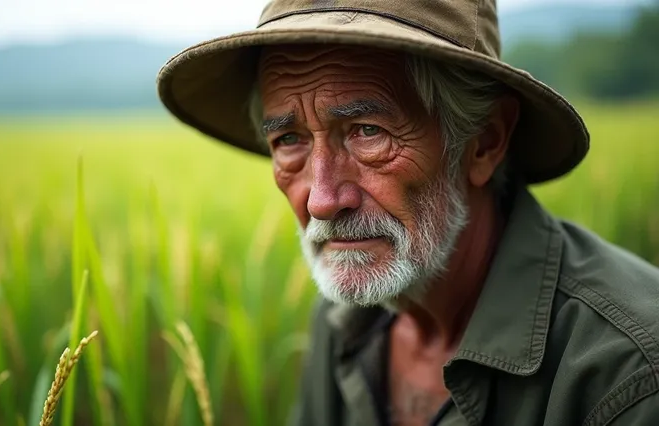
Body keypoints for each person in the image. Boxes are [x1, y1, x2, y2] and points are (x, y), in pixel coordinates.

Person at [156, 1, 659, 425]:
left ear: (484, 141)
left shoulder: (627, 375)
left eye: (367, 131)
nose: (322, 200)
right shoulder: (341, 324)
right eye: (289, 140)